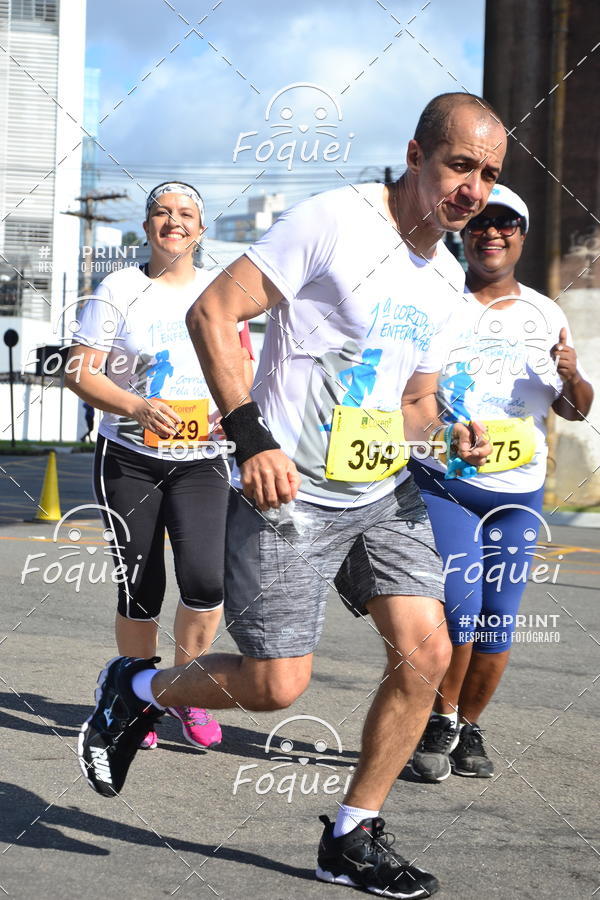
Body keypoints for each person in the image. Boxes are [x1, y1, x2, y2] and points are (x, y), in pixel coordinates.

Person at [78, 93, 506, 899]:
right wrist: (252, 438)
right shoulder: (334, 221)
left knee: (430, 651)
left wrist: (449, 432)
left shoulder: (447, 279)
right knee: (276, 687)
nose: (473, 189)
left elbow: (413, 404)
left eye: (488, 174)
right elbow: (214, 309)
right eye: (459, 165)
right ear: (416, 156)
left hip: (381, 490)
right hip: (291, 489)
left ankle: (352, 836)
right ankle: (133, 688)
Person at [410, 184, 593, 783]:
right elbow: (408, 391)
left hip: (518, 492)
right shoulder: (436, 301)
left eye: (506, 223)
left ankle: (468, 723)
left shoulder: (547, 312)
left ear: (522, 233)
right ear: (464, 233)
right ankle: (440, 718)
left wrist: (571, 376)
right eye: (481, 223)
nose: (492, 232)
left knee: (496, 623)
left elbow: (575, 408)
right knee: (460, 613)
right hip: (446, 482)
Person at [66, 181, 253, 752]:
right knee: (141, 584)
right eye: (161, 213)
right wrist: (137, 406)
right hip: (130, 458)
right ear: (146, 228)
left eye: (186, 214)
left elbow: (243, 364)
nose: (173, 221)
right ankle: (135, 695)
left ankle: (183, 691)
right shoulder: (119, 288)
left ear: (201, 229)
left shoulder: (222, 291)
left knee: (203, 580)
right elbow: (79, 370)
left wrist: (235, 415)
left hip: (203, 460)